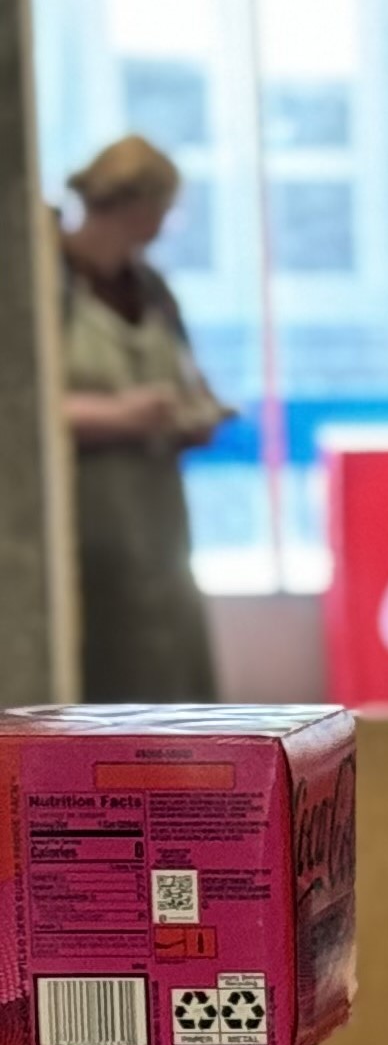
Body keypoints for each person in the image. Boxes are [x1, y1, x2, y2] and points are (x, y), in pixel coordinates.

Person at [60, 135, 225, 701]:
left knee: (169, 667)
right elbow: (26, 415)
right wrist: (120, 416)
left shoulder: (151, 288)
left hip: (158, 519)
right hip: (85, 516)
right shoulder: (47, 285)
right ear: (138, 207)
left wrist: (194, 414)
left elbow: (189, 378)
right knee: (105, 674)